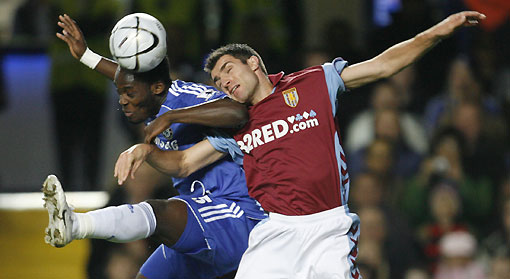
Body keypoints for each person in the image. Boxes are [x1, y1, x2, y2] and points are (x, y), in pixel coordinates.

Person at [117, 11, 486, 278]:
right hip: (274, 230)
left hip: (328, 228)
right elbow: (182, 164)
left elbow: (382, 66)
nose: (223, 81)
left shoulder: (314, 82)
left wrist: (437, 32)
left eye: (228, 69)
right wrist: (147, 152)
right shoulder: (238, 122)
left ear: (254, 62)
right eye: (217, 79)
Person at [44, 14, 267, 279]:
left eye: (129, 94)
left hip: (236, 214)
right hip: (201, 216)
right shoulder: (150, 95)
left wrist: (172, 117)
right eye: (120, 93)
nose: (123, 101)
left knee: (160, 212)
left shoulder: (185, 98)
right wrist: (86, 56)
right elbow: (123, 78)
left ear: (157, 87)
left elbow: (238, 111)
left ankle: (76, 224)